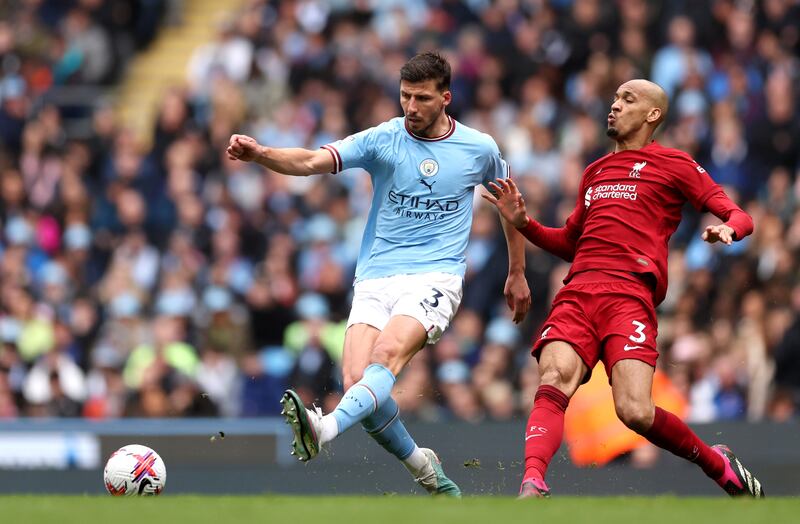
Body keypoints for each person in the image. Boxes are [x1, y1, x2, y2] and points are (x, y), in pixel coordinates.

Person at [226, 52, 531, 497]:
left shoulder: (478, 148)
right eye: (405, 95)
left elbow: (510, 207)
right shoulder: (383, 139)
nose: (410, 106)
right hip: (374, 278)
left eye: (422, 98)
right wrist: (261, 154)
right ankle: (426, 470)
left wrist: (517, 272)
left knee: (384, 357)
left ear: (445, 98)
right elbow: (312, 161)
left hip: (435, 277)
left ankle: (324, 428)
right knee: (356, 382)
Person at [482, 79, 764, 498]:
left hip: (630, 295)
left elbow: (738, 213)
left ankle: (715, 462)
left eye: (627, 99)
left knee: (634, 411)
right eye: (613, 98)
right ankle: (533, 481)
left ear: (653, 115)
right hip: (578, 291)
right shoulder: (594, 171)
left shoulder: (675, 164)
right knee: (554, 377)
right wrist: (525, 224)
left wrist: (729, 229)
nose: (613, 106)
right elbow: (570, 242)